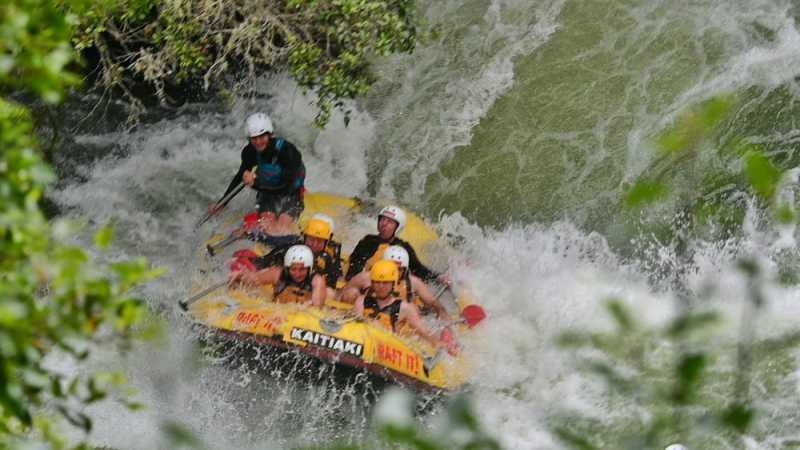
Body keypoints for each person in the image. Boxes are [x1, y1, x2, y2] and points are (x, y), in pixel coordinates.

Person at [209, 112, 305, 235]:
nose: (258, 142)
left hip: (290, 191)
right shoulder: (249, 152)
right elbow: (240, 177)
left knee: (281, 228)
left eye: (262, 137)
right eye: (254, 138)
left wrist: (255, 184)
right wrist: (222, 203)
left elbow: (286, 188)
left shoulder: (288, 151)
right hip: (267, 191)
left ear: (270, 135)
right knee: (267, 226)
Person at [354, 260, 455, 353]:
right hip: (364, 343)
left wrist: (439, 344)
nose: (381, 286)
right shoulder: (361, 301)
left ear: (393, 284)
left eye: (385, 283)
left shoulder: (405, 308)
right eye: (377, 282)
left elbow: (423, 333)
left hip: (388, 350)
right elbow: (355, 325)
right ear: (372, 283)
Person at [345, 205, 450, 286]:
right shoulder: (368, 241)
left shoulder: (403, 247)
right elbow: (355, 262)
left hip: (389, 285)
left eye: (390, 222)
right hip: (368, 281)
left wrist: (438, 277)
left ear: (398, 227)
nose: (384, 224)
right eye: (382, 219)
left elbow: (417, 269)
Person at [340, 246, 449, 319]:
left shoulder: (413, 282)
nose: (394, 272)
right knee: (351, 293)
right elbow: (341, 295)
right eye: (391, 266)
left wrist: (441, 313)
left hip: (396, 321)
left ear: (405, 270)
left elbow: (434, 303)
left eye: (399, 269)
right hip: (367, 314)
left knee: (414, 309)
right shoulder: (366, 277)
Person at [252, 215, 343, 299]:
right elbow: (266, 262)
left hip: (307, 289)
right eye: (311, 239)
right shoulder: (291, 249)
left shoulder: (328, 258)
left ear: (326, 242)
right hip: (285, 282)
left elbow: (331, 285)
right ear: (305, 237)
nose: (314, 244)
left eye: (319, 241)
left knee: (329, 292)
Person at [229, 245, 326, 307]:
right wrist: (239, 276)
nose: (297, 274)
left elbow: (316, 309)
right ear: (287, 268)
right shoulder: (277, 274)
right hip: (278, 312)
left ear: (309, 269)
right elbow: (253, 278)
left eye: (302, 269)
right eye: (293, 269)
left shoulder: (317, 281)